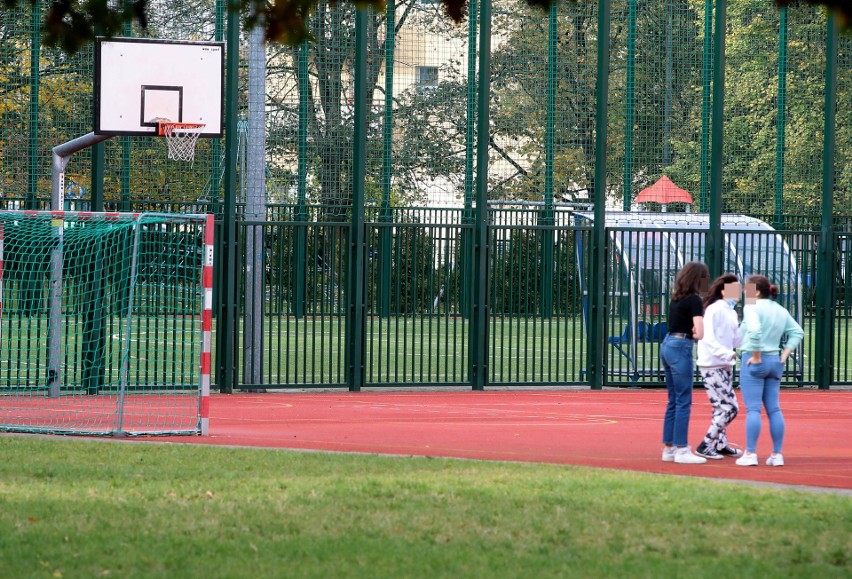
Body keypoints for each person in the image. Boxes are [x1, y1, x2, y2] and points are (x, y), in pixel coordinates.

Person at [735, 275, 804, 467]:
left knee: (753, 408)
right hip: (775, 360)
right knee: (774, 408)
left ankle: (750, 453)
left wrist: (756, 356)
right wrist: (784, 355)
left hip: (755, 359)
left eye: (747, 289)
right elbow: (797, 331)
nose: (744, 293)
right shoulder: (780, 309)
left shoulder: (751, 307)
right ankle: (777, 454)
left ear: (756, 291)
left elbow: (755, 331)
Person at [660, 261, 709, 464]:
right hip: (682, 346)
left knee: (673, 399)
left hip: (668, 344)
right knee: (683, 400)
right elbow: (700, 332)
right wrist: (696, 328)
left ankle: (669, 448)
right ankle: (682, 448)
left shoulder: (675, 299)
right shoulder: (695, 300)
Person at [695, 273, 743, 459]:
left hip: (724, 364)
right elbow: (708, 337)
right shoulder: (714, 309)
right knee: (730, 408)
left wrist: (748, 324)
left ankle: (720, 443)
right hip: (712, 364)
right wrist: (726, 353)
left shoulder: (731, 311)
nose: (738, 292)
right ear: (723, 291)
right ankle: (706, 444)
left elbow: (736, 339)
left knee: (720, 407)